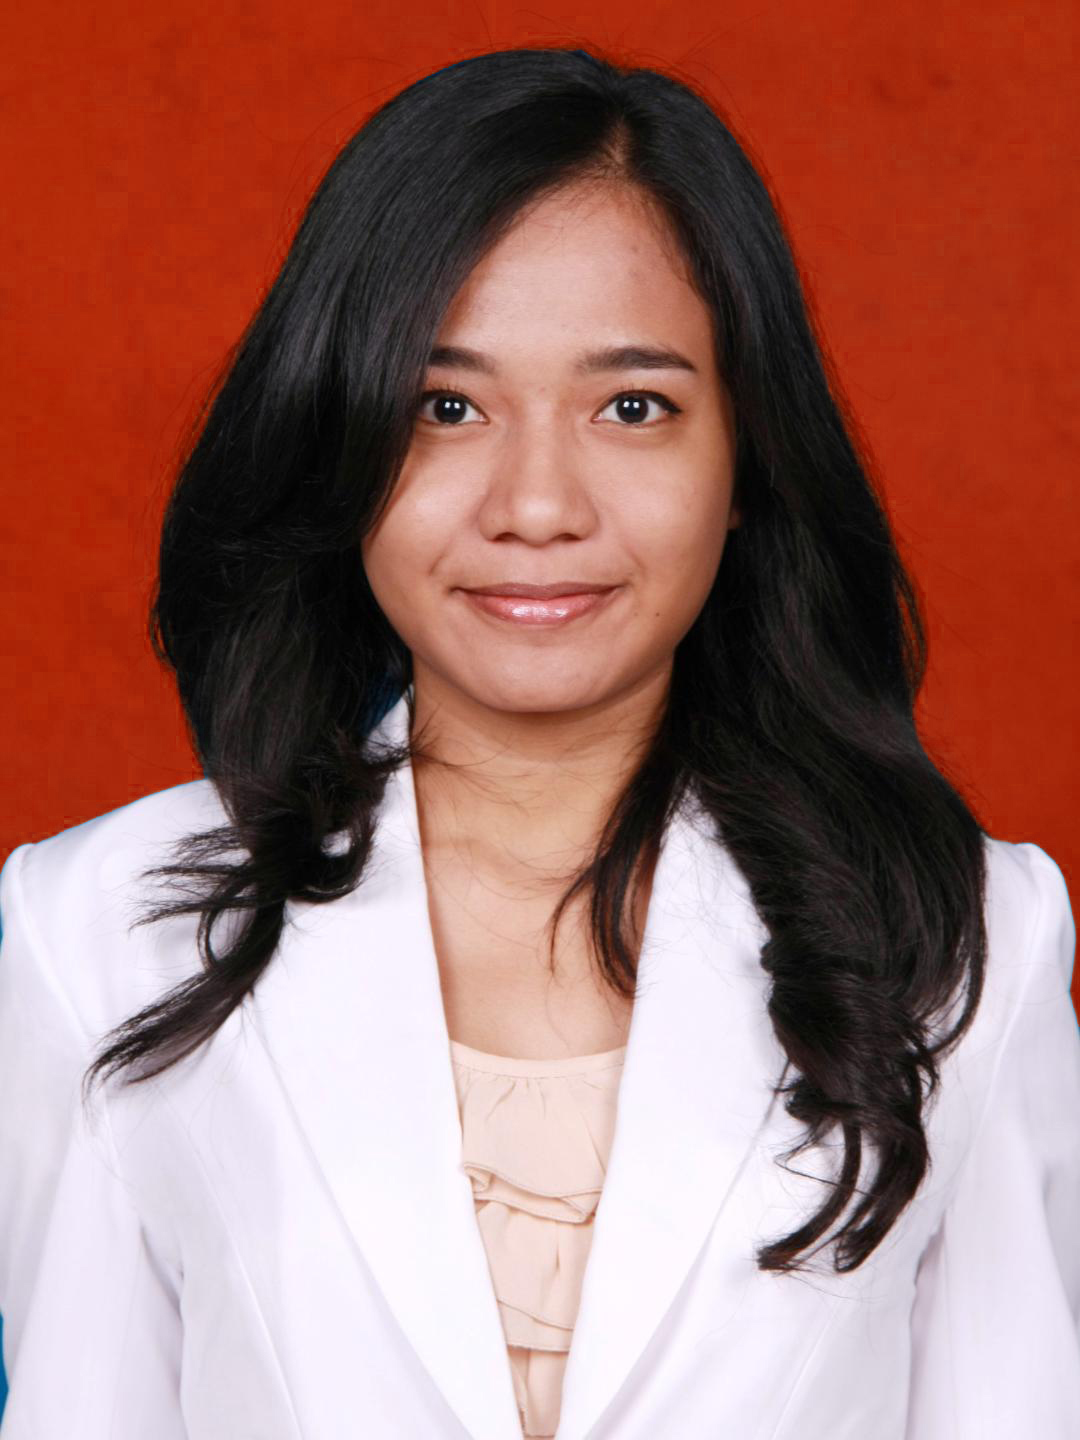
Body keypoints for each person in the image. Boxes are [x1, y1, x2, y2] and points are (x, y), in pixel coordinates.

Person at [0, 44, 1077, 1440]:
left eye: (633, 406)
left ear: (745, 459)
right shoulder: (100, 930)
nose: (537, 504)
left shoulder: (967, 936)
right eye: (445, 407)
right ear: (340, 440)